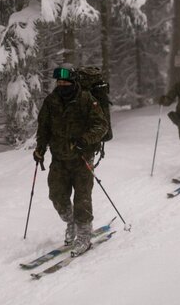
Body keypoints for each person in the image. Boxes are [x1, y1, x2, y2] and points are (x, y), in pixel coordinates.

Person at [33, 64, 108, 256]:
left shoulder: (86, 99)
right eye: (59, 82)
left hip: (82, 157)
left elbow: (101, 126)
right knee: (57, 196)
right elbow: (44, 127)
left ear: (73, 82)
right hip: (59, 157)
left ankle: (84, 234)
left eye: (65, 81)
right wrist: (40, 148)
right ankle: (71, 223)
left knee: (82, 197)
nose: (62, 85)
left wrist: (85, 140)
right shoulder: (51, 101)